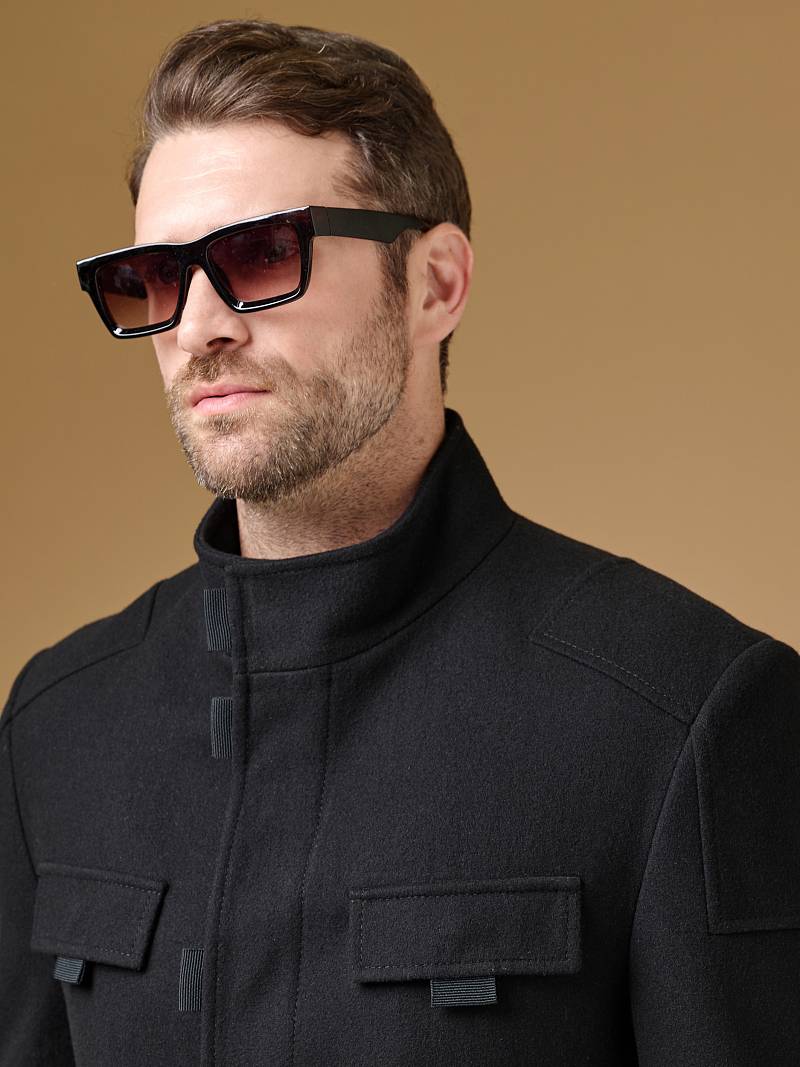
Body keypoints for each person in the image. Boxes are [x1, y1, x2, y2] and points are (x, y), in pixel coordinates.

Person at [1, 18, 798, 1067]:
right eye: (156, 275)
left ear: (434, 285)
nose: (197, 328)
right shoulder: (57, 724)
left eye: (259, 254)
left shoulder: (685, 713)